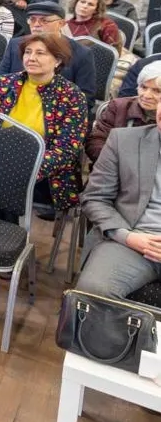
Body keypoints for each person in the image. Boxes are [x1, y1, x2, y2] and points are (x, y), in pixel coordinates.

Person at [0, 33, 89, 219]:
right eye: (28, 52)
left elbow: (66, 150)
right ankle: (5, 232)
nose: (31, 58)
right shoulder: (3, 84)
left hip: (44, 173)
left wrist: (23, 168)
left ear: (58, 60)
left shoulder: (72, 96)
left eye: (40, 53)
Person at [76, 109, 161, 300]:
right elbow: (95, 197)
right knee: (93, 290)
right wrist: (127, 237)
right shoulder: (124, 141)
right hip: (131, 239)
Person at [0, 1, 97, 104]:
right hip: (14, 104)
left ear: (61, 24)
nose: (36, 25)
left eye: (44, 20)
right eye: (32, 20)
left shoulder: (81, 53)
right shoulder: (15, 44)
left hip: (57, 108)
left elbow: (85, 97)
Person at [87, 61, 161, 163]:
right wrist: (119, 163)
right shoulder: (119, 107)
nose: (146, 95)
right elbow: (96, 141)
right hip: (111, 168)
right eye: (143, 87)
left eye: (157, 91)